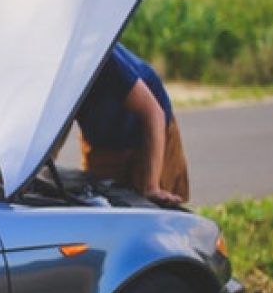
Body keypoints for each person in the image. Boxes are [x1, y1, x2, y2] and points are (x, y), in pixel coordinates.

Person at [75, 43, 190, 205]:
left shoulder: (102, 59)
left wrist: (152, 186)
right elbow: (56, 124)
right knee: (99, 204)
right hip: (102, 141)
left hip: (150, 131)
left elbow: (154, 114)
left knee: (152, 207)